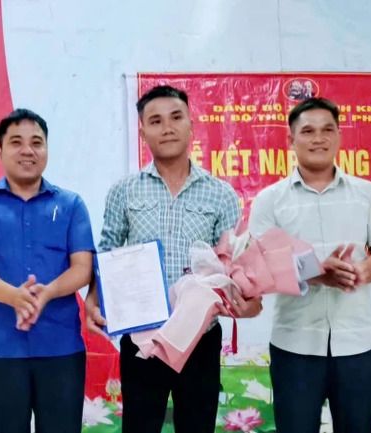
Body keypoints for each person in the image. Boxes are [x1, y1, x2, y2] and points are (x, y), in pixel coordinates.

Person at [85, 85, 262, 433]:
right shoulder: (124, 191)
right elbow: (107, 252)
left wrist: (247, 298)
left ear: (191, 125)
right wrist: (94, 299)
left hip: (200, 337)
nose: (167, 128)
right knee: (139, 427)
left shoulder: (221, 194)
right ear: (142, 132)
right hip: (142, 337)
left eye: (176, 117)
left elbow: (233, 264)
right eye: (155, 121)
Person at [248, 97, 371, 433]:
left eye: (327, 130)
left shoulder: (367, 193)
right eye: (308, 131)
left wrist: (360, 271)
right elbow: (258, 268)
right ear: (291, 139)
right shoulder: (269, 200)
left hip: (358, 341)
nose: (319, 138)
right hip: (294, 344)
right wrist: (316, 273)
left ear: (339, 136)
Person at [0, 109, 94, 433]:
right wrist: (14, 297)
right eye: (16, 142)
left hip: (61, 348)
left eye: (37, 143)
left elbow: (83, 268)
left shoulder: (71, 204)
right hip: (0, 349)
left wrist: (48, 293)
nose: (27, 150)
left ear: (47, 149)